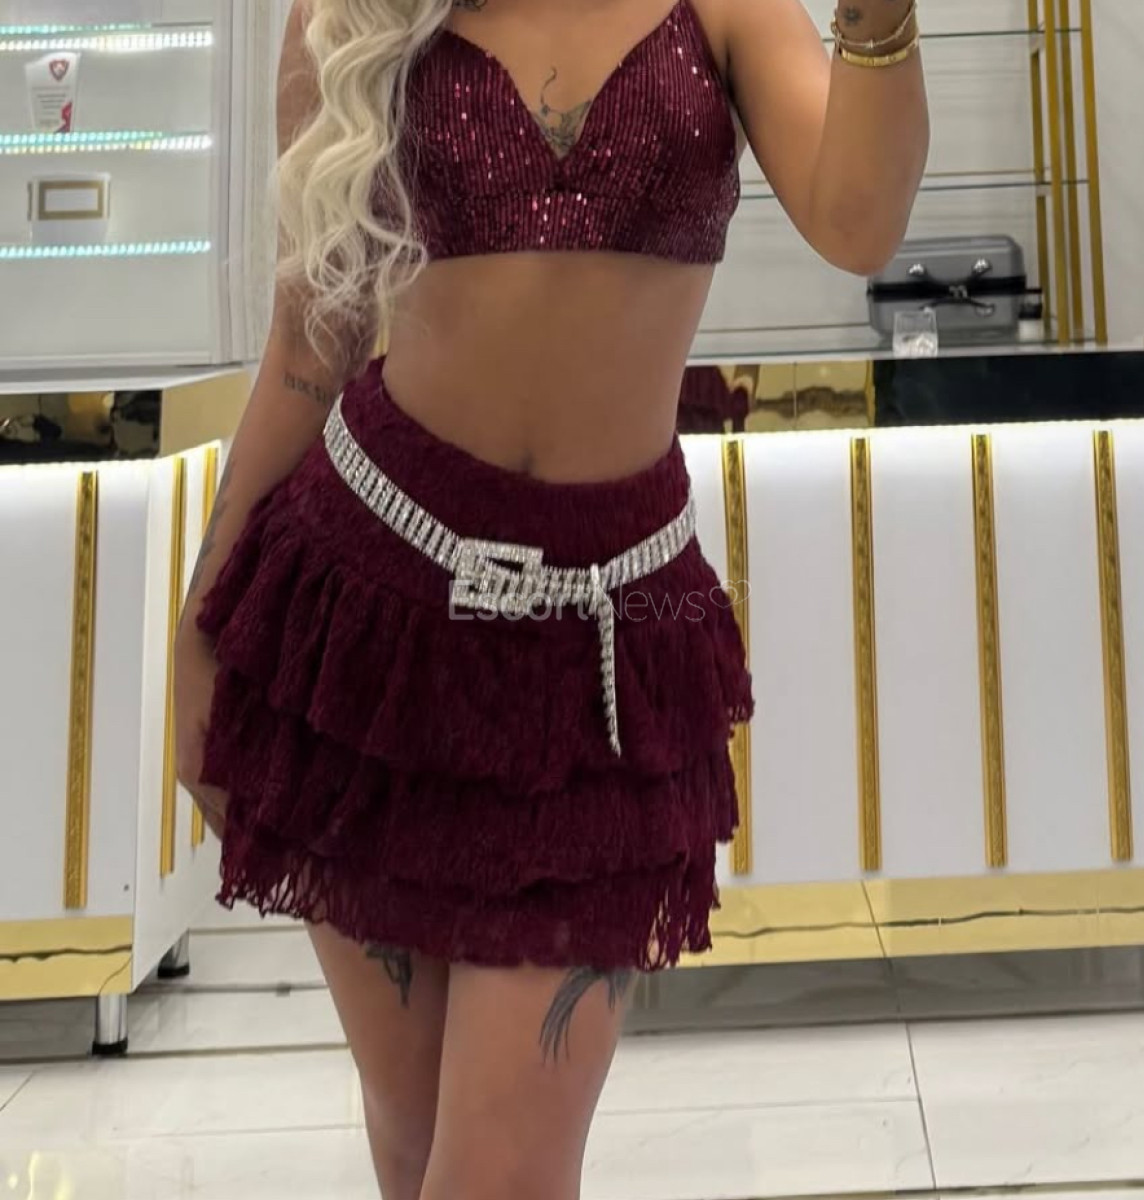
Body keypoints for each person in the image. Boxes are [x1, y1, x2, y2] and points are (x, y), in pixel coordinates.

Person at [175, 0, 928, 1196]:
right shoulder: (358, 15)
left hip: (604, 650)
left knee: (500, 1171)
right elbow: (313, 342)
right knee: (415, 1139)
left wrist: (880, 20)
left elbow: (857, 223)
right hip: (367, 619)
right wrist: (203, 629)